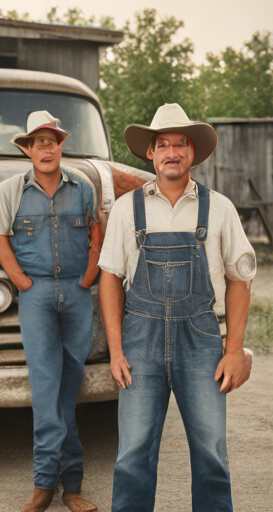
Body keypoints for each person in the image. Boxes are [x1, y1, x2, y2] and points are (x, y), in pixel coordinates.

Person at [98, 103, 255, 512]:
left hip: (202, 342)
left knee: (211, 454)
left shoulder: (219, 208)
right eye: (162, 144)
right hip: (139, 342)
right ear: (150, 153)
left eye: (180, 144)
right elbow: (110, 280)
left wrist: (235, 350)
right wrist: (116, 350)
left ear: (192, 152)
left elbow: (240, 282)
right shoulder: (126, 208)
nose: (171, 152)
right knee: (132, 455)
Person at [0, 111, 101, 512]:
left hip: (76, 292)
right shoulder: (11, 190)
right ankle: (44, 485)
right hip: (36, 294)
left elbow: (95, 230)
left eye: (51, 140)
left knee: (69, 388)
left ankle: (72, 488)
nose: (46, 148)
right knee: (47, 386)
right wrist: (20, 280)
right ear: (28, 149)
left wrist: (88, 276)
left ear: (60, 145)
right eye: (38, 142)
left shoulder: (82, 186)